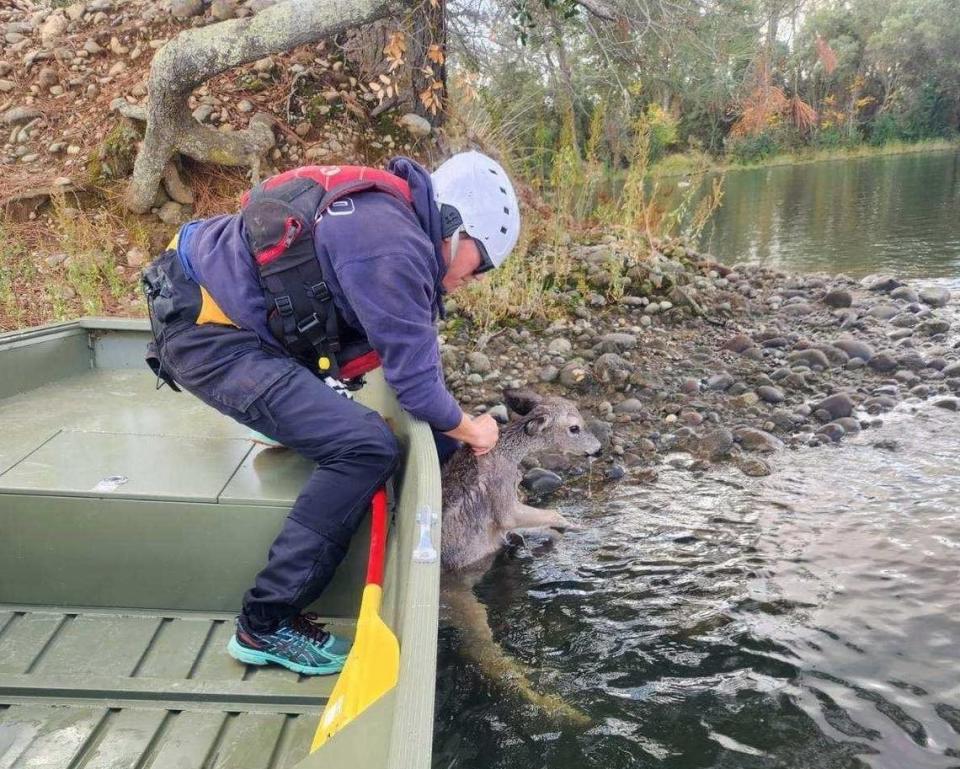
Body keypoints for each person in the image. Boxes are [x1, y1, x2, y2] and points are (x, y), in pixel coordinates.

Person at [141, 151, 521, 675]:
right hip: (211, 338)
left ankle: (289, 424)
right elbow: (416, 387)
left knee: (394, 433)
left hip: (219, 310)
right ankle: (267, 622)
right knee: (366, 447)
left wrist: (452, 433)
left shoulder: (386, 219)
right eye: (480, 266)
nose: (473, 281)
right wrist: (472, 427)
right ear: (455, 230)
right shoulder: (392, 245)